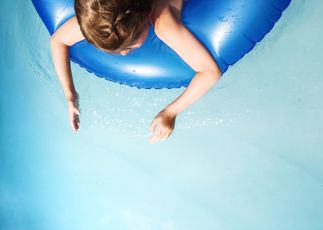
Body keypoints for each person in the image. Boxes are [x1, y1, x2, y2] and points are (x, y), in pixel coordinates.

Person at [50, 0, 222, 144]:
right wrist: (70, 94)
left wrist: (170, 112)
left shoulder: (163, 20)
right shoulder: (100, 19)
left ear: (145, 20)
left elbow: (209, 72)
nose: (124, 54)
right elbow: (58, 40)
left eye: (130, 46)